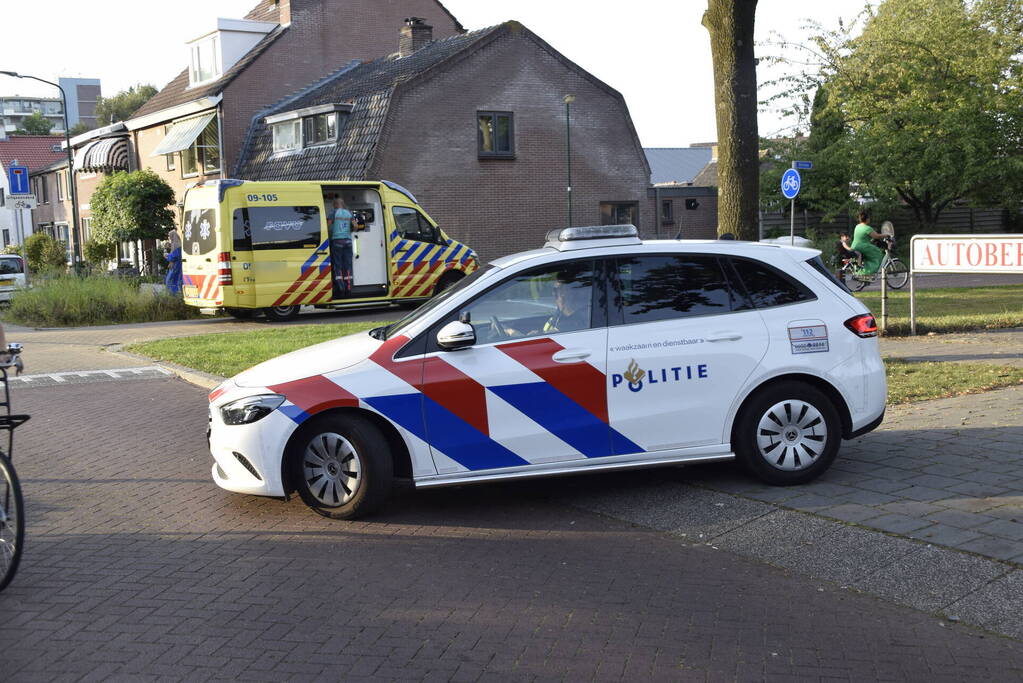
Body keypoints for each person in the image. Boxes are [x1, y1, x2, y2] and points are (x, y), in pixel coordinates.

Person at [329, 197, 355, 296]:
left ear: (335, 205)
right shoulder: (349, 213)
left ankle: (340, 288)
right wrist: (350, 231)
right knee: (347, 265)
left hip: (337, 241)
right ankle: (348, 288)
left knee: (338, 265)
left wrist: (330, 233)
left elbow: (328, 225)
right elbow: (355, 226)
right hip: (348, 241)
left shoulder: (333, 212)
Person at [850, 211, 886, 275]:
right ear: (866, 219)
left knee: (869, 256)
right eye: (869, 218)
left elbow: (863, 237)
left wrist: (871, 240)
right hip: (862, 246)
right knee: (878, 253)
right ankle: (869, 272)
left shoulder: (857, 226)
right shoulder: (867, 228)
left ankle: (864, 270)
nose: (870, 219)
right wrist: (886, 235)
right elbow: (877, 236)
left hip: (854, 246)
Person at [164, 230, 183, 295]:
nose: (169, 238)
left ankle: (173, 296)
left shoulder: (176, 245)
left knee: (171, 281)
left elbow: (174, 256)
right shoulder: (178, 244)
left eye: (170, 236)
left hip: (175, 266)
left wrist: (167, 256)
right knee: (177, 281)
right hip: (178, 266)